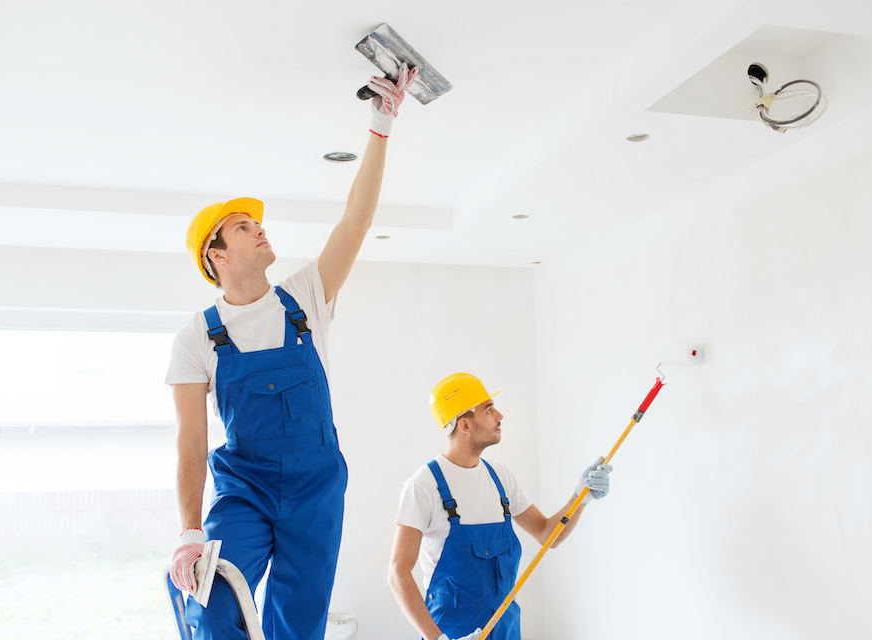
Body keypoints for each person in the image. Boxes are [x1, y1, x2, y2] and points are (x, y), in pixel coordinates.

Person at [165, 66, 418, 640]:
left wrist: (380, 126)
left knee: (298, 627)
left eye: (256, 222)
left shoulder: (304, 299)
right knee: (211, 603)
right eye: (241, 227)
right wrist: (188, 531)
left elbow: (356, 220)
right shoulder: (196, 339)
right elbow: (191, 440)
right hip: (244, 488)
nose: (259, 230)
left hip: (317, 487)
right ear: (217, 257)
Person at [387, 373, 613, 640]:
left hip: (507, 630)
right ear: (465, 425)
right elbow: (398, 573)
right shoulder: (424, 486)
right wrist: (438, 639)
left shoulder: (500, 479)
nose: (500, 416)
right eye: (489, 409)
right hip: (453, 633)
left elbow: (547, 534)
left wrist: (580, 497)